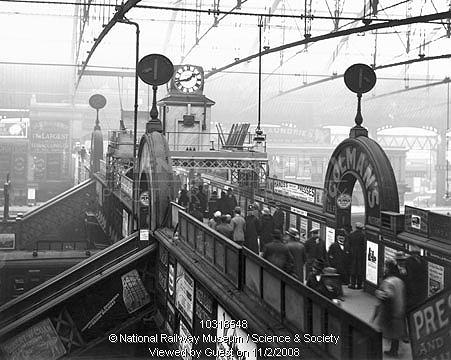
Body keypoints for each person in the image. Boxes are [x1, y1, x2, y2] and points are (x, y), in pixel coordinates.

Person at [372, 259, 407, 357]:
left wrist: (378, 293)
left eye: (385, 267)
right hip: (400, 309)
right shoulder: (400, 281)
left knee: (381, 330)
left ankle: (380, 352)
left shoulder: (389, 282)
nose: (384, 268)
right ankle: (394, 351)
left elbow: (386, 296)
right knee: (395, 334)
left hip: (389, 312)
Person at [348, 222, 366, 289]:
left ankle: (352, 284)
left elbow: (348, 244)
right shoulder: (363, 235)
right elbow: (364, 245)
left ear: (356, 227)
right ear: (361, 228)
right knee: (360, 270)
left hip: (352, 253)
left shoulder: (351, 234)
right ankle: (359, 285)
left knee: (353, 269)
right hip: (360, 254)